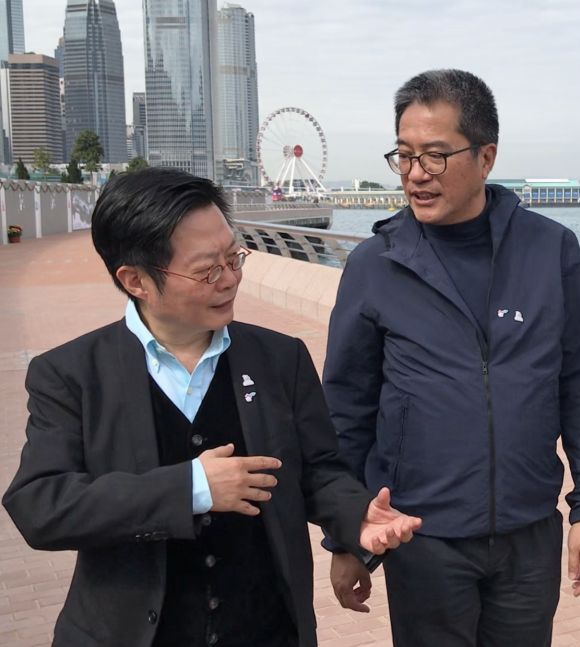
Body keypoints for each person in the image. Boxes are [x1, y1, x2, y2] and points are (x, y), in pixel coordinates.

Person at [3, 167, 421, 647]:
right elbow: (41, 506)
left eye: (234, 258)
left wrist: (356, 518)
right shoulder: (71, 374)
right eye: (207, 270)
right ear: (135, 279)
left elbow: (320, 471)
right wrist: (192, 488)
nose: (229, 280)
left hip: (265, 627)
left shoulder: (280, 358)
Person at [322, 69, 580, 646]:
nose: (415, 174)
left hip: (529, 534)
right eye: (403, 155)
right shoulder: (375, 264)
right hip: (420, 537)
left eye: (435, 155)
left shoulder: (550, 248)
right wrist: (345, 536)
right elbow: (346, 410)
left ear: (486, 157)